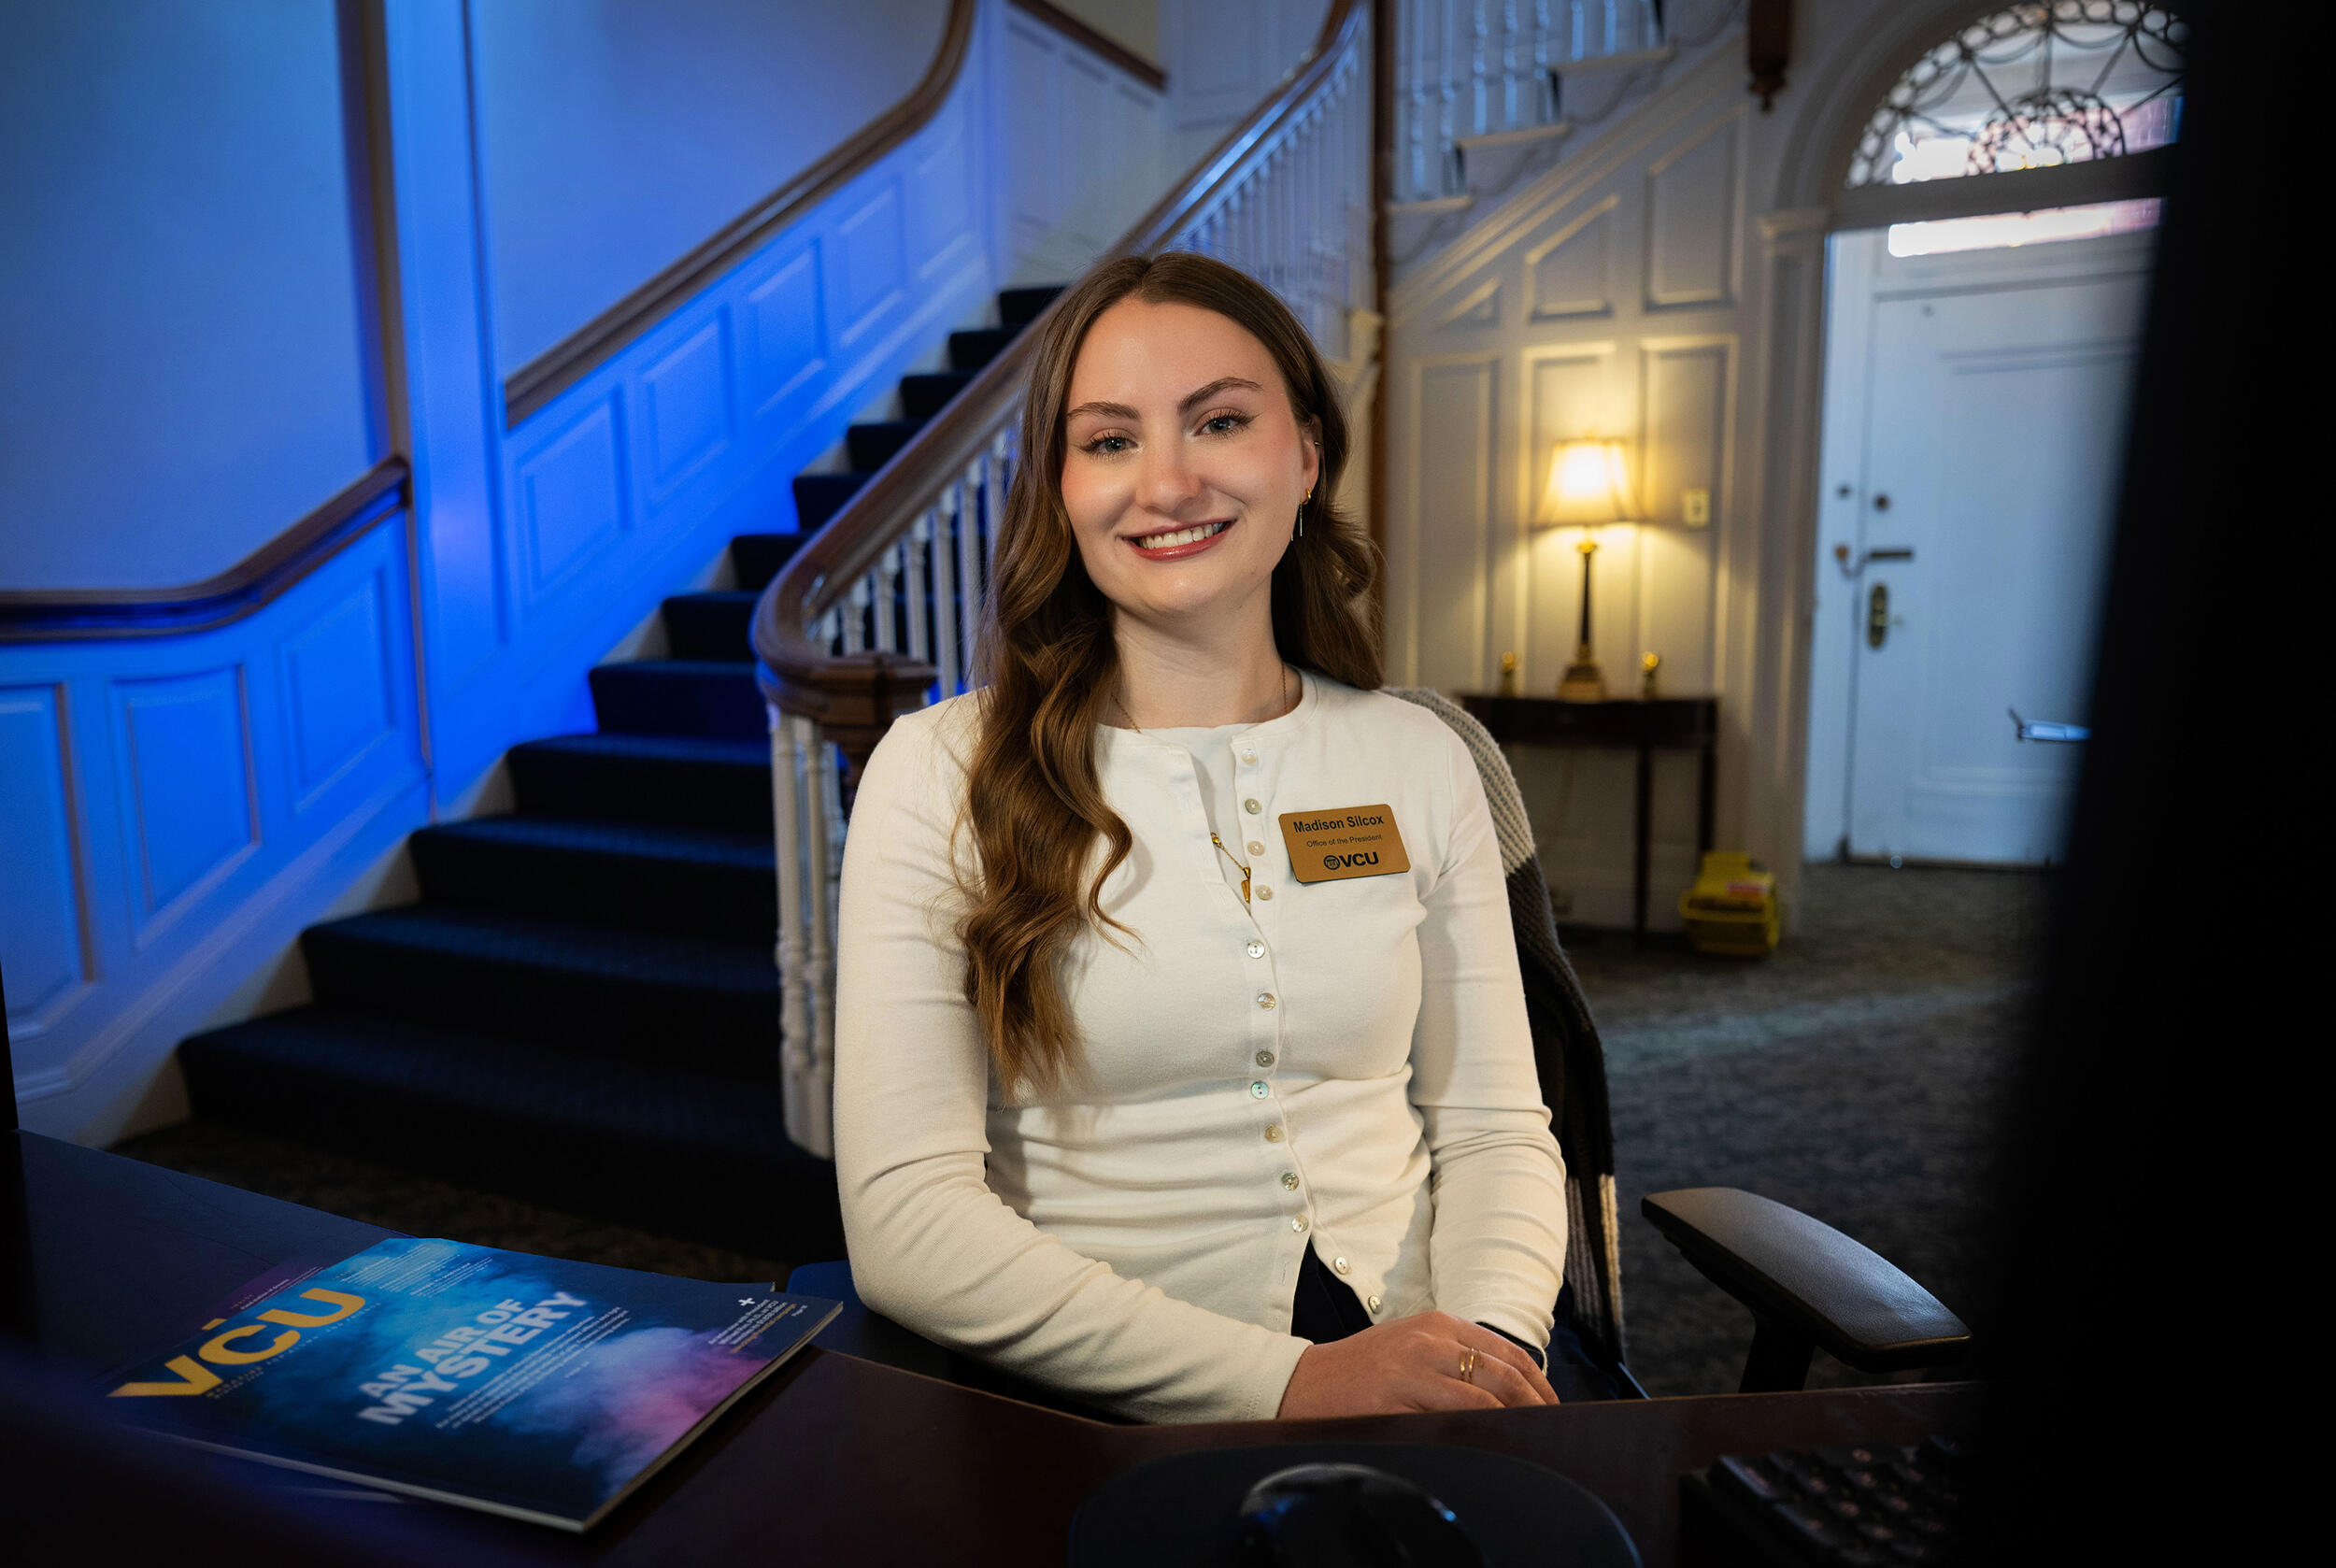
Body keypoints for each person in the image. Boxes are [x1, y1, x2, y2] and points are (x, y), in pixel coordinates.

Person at [833, 252, 1573, 1424]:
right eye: (1110, 440)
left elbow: (1491, 1126)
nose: (1165, 482)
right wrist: (1293, 1381)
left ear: (1307, 454)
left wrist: (1477, 1356)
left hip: (1421, 1360)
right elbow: (907, 1219)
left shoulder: (1418, 755)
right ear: (1061, 487)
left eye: (1219, 420)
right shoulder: (938, 773)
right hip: (1094, 1401)